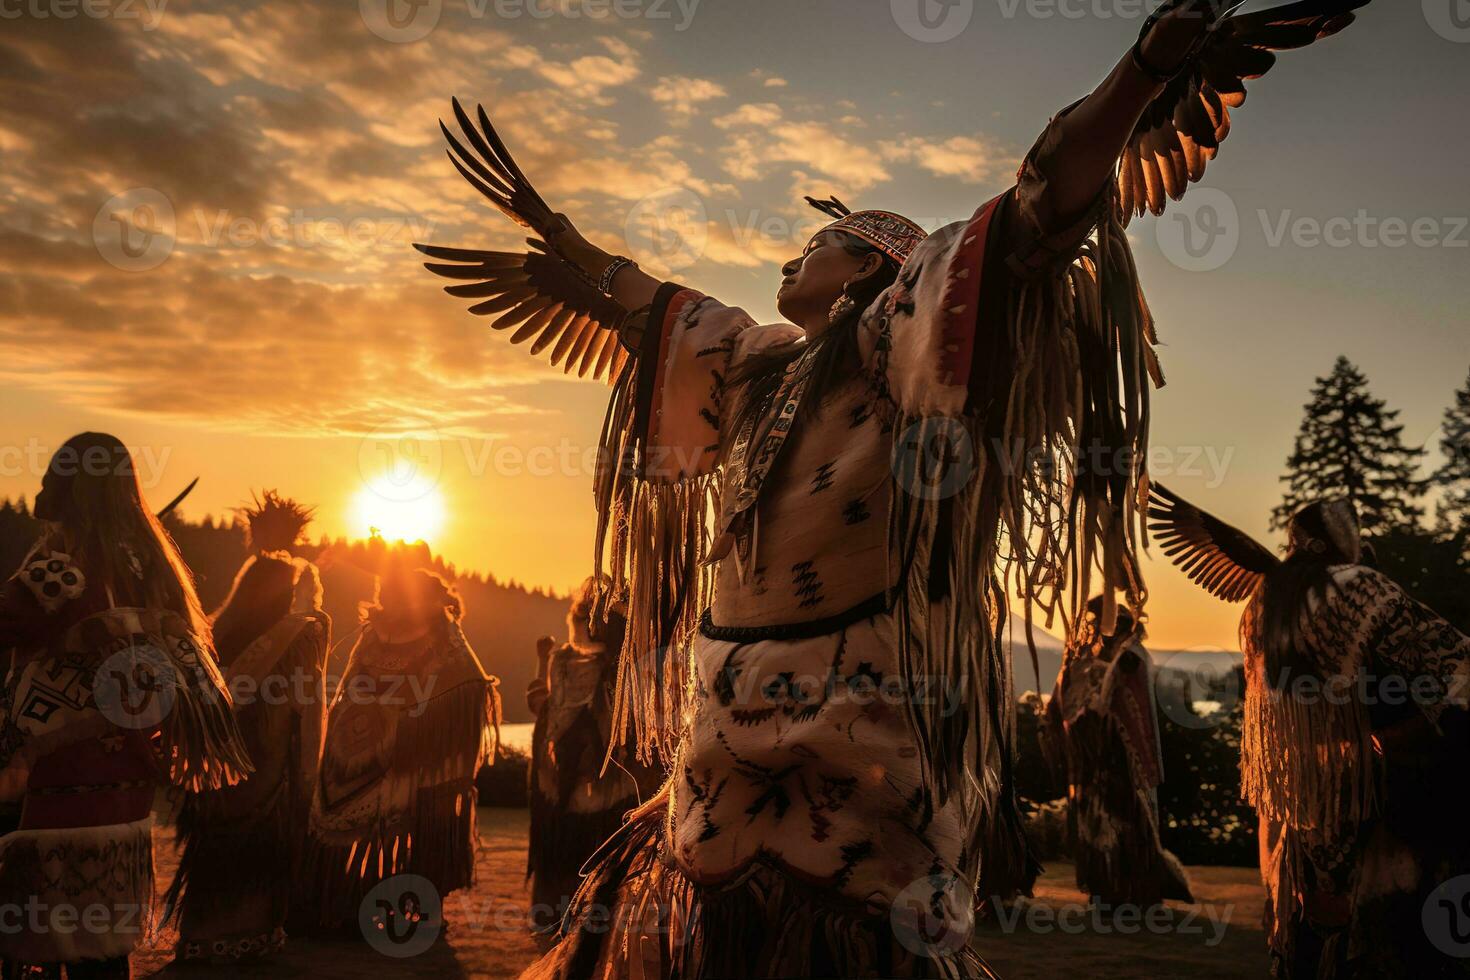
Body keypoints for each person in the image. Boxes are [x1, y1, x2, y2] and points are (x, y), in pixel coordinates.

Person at [415, 2, 1368, 974]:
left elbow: (1040, 208)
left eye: (816, 248)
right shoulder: (754, 361)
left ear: (872, 267)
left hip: (856, 740)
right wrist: (555, 225)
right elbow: (648, 299)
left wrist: (1145, 69)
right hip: (715, 744)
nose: (792, 258)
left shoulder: (899, 341)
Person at [1150, 487, 1470, 978]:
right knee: (1378, 931)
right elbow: (1449, 660)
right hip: (1368, 789)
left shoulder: (1265, 599)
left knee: (1309, 923)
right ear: (1347, 541)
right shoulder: (1358, 586)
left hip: (1296, 795)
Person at [0, 432, 251, 979]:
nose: (41, 487)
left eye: (50, 477)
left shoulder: (60, 565)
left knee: (47, 942)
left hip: (55, 775)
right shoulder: (153, 565)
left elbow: (8, 622)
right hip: (128, 780)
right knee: (103, 949)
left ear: (71, 486)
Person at [164, 491, 331, 961]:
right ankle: (251, 931)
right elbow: (305, 683)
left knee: (222, 833)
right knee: (256, 835)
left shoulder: (246, 596)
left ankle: (206, 932)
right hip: (267, 739)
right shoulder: (297, 593)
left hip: (229, 739)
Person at [306, 563, 501, 932]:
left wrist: (419, 722)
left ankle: (400, 904)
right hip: (354, 748)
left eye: (397, 590)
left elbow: (469, 686)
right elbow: (351, 683)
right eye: (388, 590)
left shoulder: (443, 632)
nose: (389, 597)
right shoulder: (373, 634)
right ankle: (338, 902)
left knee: (408, 823)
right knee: (346, 825)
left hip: (410, 753)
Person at [525, 579, 663, 943]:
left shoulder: (635, 669)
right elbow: (548, 711)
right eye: (587, 617)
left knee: (600, 870)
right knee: (567, 869)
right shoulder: (567, 662)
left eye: (599, 619)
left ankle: (592, 924)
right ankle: (568, 925)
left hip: (608, 789)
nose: (591, 626)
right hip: (564, 786)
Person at [1042, 596, 1192, 907]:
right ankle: (1105, 890)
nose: (1099, 630)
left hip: (1122, 758)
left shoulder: (1131, 655)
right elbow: (1068, 703)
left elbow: (1108, 696)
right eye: (1096, 623)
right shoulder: (1085, 657)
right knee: (1096, 824)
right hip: (1092, 761)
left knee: (1130, 822)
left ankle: (1135, 892)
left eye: (1105, 622)